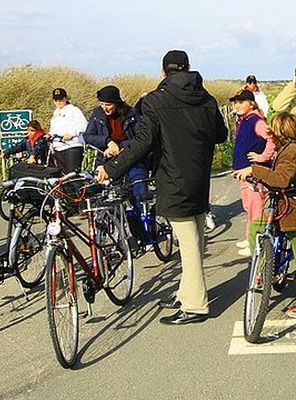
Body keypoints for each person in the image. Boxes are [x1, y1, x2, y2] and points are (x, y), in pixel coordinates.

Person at [97, 50, 228, 325]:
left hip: (172, 177)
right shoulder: (207, 99)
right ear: (189, 67)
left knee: (190, 245)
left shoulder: (155, 102)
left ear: (162, 72)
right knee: (195, 240)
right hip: (200, 177)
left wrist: (111, 168)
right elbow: (221, 135)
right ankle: (186, 292)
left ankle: (196, 306)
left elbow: (142, 143)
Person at [233, 112, 296, 319]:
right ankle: (270, 272)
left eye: (273, 130)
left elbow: (281, 179)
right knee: (265, 229)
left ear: (281, 132)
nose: (271, 134)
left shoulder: (291, 152)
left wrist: (253, 170)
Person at [83, 85, 149, 245]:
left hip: (132, 159)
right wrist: (107, 143)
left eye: (108, 105)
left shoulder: (132, 114)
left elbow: (142, 138)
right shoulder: (97, 115)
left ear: (117, 103)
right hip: (107, 161)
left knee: (138, 191)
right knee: (108, 195)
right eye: (102, 104)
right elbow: (88, 136)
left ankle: (146, 232)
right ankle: (115, 232)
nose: (105, 108)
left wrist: (121, 147)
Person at [229, 89, 276, 257]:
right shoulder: (245, 120)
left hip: (255, 173)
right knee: (249, 206)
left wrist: (262, 157)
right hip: (245, 173)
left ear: (251, 103)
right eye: (236, 102)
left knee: (256, 207)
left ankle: (255, 242)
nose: (237, 105)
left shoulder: (257, 121)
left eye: (241, 102)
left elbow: (272, 140)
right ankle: (250, 237)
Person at [48, 88, 88, 173]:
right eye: (56, 100)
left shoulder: (73, 110)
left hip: (72, 146)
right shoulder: (55, 113)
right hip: (58, 148)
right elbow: (53, 130)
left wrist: (71, 134)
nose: (58, 102)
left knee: (72, 175)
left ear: (65, 99)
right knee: (63, 177)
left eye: (61, 99)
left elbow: (84, 125)